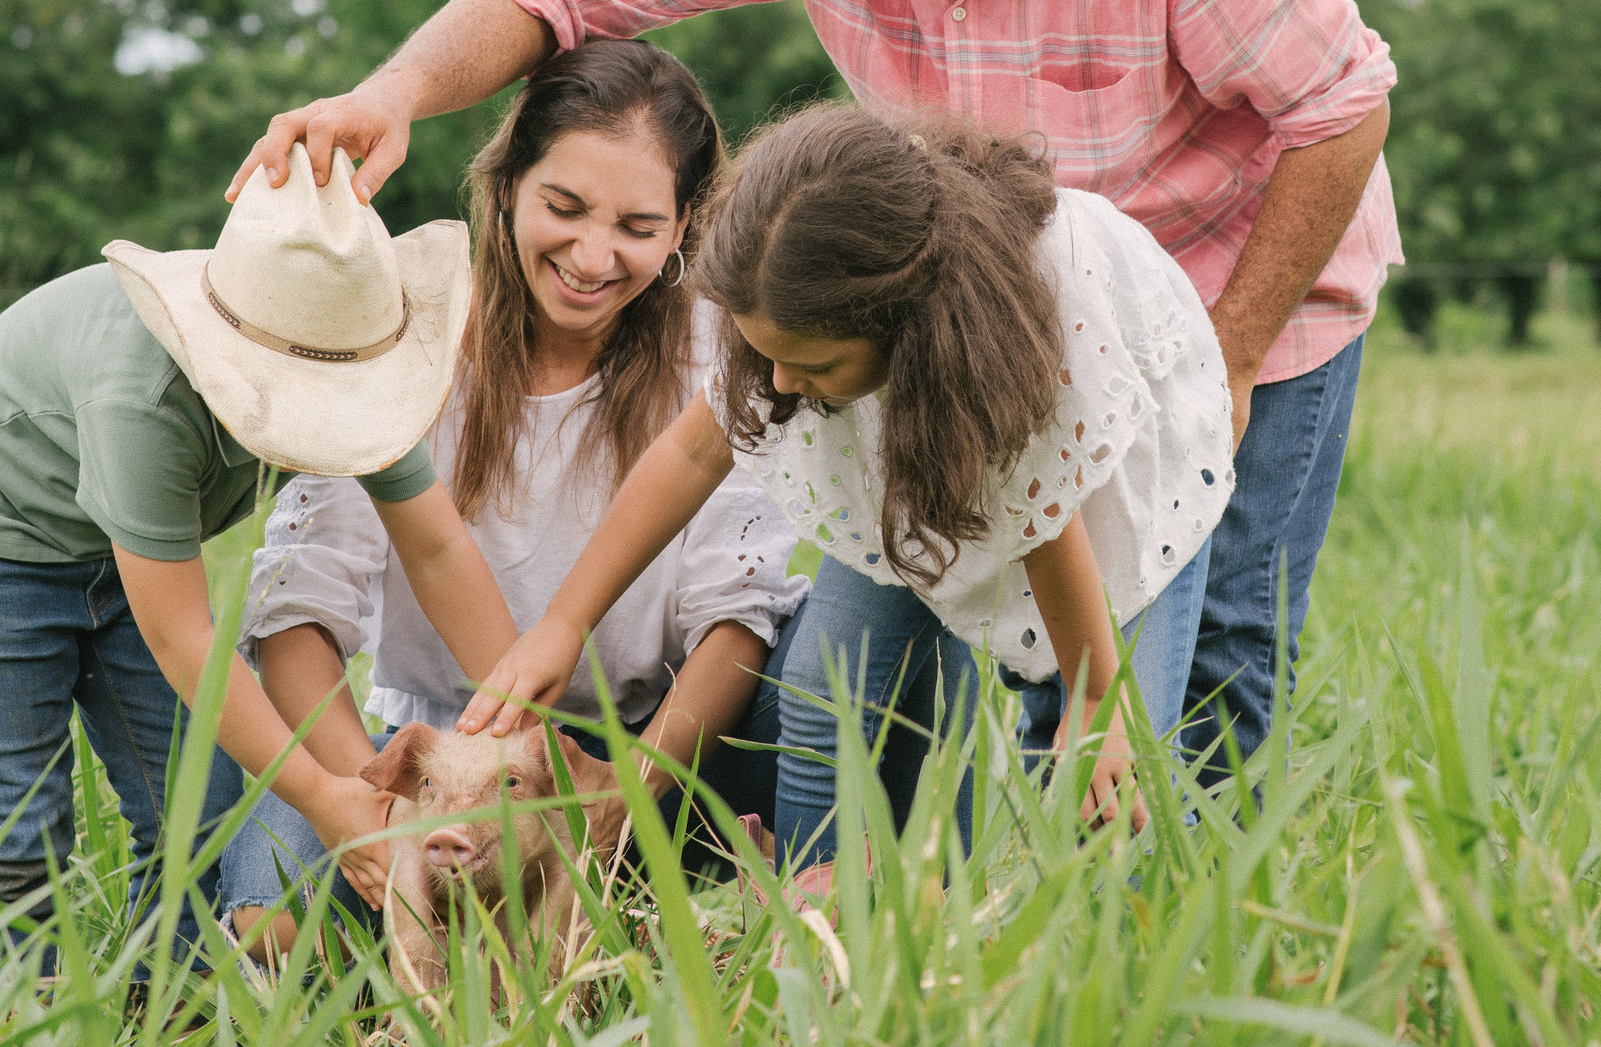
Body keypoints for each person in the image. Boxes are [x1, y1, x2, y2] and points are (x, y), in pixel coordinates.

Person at [234, 0, 1396, 782]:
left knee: (1192, 680)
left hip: (1228, 296)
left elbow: (1340, 110)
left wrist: (1229, 358)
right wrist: (392, 94)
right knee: (859, 677)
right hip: (939, 316)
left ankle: (1149, 933)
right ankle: (892, 924)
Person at [460, 109, 1235, 873]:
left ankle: (1135, 943)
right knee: (823, 684)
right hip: (934, 449)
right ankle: (824, 930)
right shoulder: (786, 308)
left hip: (1101, 446)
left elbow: (1041, 521)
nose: (779, 386)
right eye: (765, 357)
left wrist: (1095, 694)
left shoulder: (982, 356)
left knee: (1107, 779)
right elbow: (694, 450)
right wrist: (565, 620)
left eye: (814, 367)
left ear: (902, 327)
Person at [219, 41, 807, 951]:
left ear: (686, 224)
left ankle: (800, 898)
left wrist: (632, 791)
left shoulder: (721, 350)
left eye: (638, 226)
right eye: (563, 207)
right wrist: (375, 803)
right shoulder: (399, 334)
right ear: (506, 188)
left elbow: (738, 612)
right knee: (270, 930)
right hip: (432, 761)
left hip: (648, 751)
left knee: (817, 664)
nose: (592, 254)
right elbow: (299, 614)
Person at [0, 145, 515, 972]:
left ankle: (173, 1006)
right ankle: (13, 1012)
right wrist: (325, 797)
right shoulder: (145, 397)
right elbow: (185, 634)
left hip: (131, 550)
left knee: (199, 809)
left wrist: (524, 725)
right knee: (14, 827)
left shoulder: (355, 366)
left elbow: (437, 546)